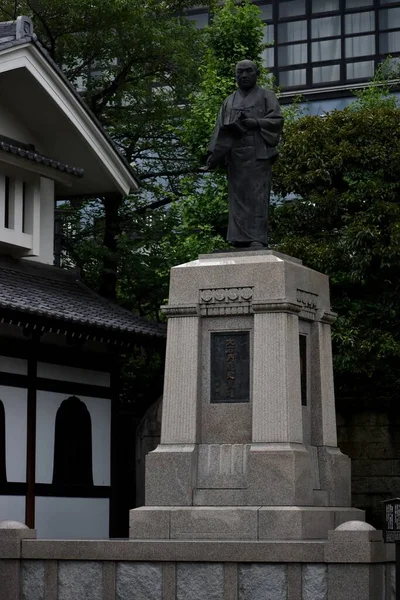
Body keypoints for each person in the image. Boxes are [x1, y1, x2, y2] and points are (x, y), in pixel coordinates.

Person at [203, 60, 283, 248]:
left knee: (257, 197)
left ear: (256, 74)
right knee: (237, 200)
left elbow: (277, 119)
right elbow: (220, 128)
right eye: (240, 72)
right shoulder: (229, 101)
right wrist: (213, 153)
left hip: (258, 156)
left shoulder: (266, 96)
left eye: (248, 71)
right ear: (235, 76)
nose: (244, 75)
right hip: (235, 158)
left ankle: (257, 238)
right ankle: (238, 239)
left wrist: (256, 122)